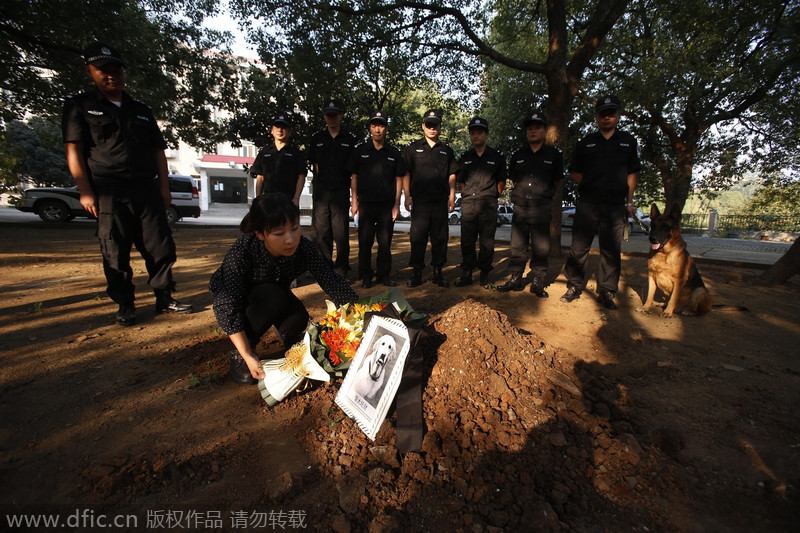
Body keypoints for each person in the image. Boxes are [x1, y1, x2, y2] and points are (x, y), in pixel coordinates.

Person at [62, 42, 192, 327]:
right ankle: (125, 305)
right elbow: (74, 150)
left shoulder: (141, 110)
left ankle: (164, 297)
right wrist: (85, 190)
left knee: (159, 247)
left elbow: (158, 151)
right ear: (90, 71)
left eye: (117, 70)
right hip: (108, 190)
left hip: (146, 189)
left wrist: (165, 188)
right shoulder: (80, 106)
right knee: (115, 250)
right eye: (104, 71)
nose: (112, 76)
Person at [210, 193, 359, 385]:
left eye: (295, 229)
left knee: (298, 317)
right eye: (279, 234)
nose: (290, 240)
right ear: (260, 234)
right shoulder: (242, 252)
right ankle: (243, 349)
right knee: (272, 297)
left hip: (275, 292)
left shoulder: (304, 248)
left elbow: (331, 281)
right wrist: (246, 354)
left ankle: (287, 336)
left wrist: (360, 315)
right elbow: (226, 307)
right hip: (246, 299)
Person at [562, 95, 641, 309]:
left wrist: (629, 201)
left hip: (615, 205)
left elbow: (632, 174)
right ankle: (574, 285)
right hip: (588, 203)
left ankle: (607, 291)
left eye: (611, 113)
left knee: (610, 250)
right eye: (602, 114)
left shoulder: (628, 142)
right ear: (596, 117)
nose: (607, 117)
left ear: (618, 115)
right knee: (579, 247)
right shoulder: (586, 143)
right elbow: (574, 172)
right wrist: (591, 184)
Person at [498, 110, 563, 297]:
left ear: (545, 131)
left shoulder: (554, 155)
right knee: (517, 245)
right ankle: (516, 277)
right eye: (530, 129)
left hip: (541, 207)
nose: (533, 131)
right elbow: (515, 181)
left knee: (541, 246)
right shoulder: (518, 154)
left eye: (537, 128)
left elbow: (556, 181)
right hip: (521, 208)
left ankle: (538, 280)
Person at [348, 111, 406, 288]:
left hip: (386, 207)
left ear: (386, 128)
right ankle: (365, 275)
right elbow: (354, 177)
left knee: (384, 243)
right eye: (374, 125)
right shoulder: (360, 151)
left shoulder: (393, 153)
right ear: (370, 128)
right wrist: (354, 202)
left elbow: (399, 179)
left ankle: (383, 275)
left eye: (381, 125)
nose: (378, 129)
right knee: (365, 242)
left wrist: (397, 204)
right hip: (365, 204)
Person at [403, 110, 459, 288]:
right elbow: (406, 173)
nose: (432, 128)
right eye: (428, 125)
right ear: (423, 126)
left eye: (435, 125)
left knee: (440, 238)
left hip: (440, 202)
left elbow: (452, 175)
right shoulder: (412, 148)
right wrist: (407, 196)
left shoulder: (447, 150)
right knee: (417, 238)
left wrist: (451, 197)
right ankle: (417, 273)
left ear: (440, 127)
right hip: (419, 203)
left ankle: (438, 272)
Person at [453, 117, 506, 288]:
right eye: (473, 133)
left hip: (488, 204)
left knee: (487, 241)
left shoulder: (497, 156)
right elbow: (461, 181)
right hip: (469, 203)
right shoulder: (465, 157)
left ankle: (485, 275)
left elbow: (501, 181)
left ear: (487, 134)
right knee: (467, 240)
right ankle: (467, 273)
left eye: (480, 132)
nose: (476, 136)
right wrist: (468, 195)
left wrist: (491, 196)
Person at [308, 99, 357, 277]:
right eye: (329, 115)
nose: (332, 118)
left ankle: (341, 270)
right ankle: (325, 270)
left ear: (340, 116)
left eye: (335, 115)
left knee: (341, 234)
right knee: (322, 233)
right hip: (321, 194)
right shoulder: (317, 139)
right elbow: (315, 164)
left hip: (341, 193)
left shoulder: (349, 139)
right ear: (324, 117)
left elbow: (353, 171)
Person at [252, 113, 307, 204]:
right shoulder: (264, 152)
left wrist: (296, 198)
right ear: (272, 130)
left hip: (288, 201)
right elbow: (260, 177)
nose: (280, 130)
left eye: (284, 127)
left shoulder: (296, 152)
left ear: (289, 132)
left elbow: (301, 176)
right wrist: (258, 198)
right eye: (277, 127)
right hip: (267, 201)